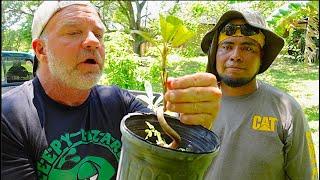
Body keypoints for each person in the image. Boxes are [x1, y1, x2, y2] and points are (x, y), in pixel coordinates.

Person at [1, 1, 221, 179]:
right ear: (41, 49)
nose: (92, 42)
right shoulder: (10, 116)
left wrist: (192, 124)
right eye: (74, 32)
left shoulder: (118, 103)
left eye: (99, 34)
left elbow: (169, 152)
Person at [200, 10, 318, 179]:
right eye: (227, 46)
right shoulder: (194, 104)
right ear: (214, 53)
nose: (236, 56)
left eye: (248, 48)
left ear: (261, 56)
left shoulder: (286, 111)